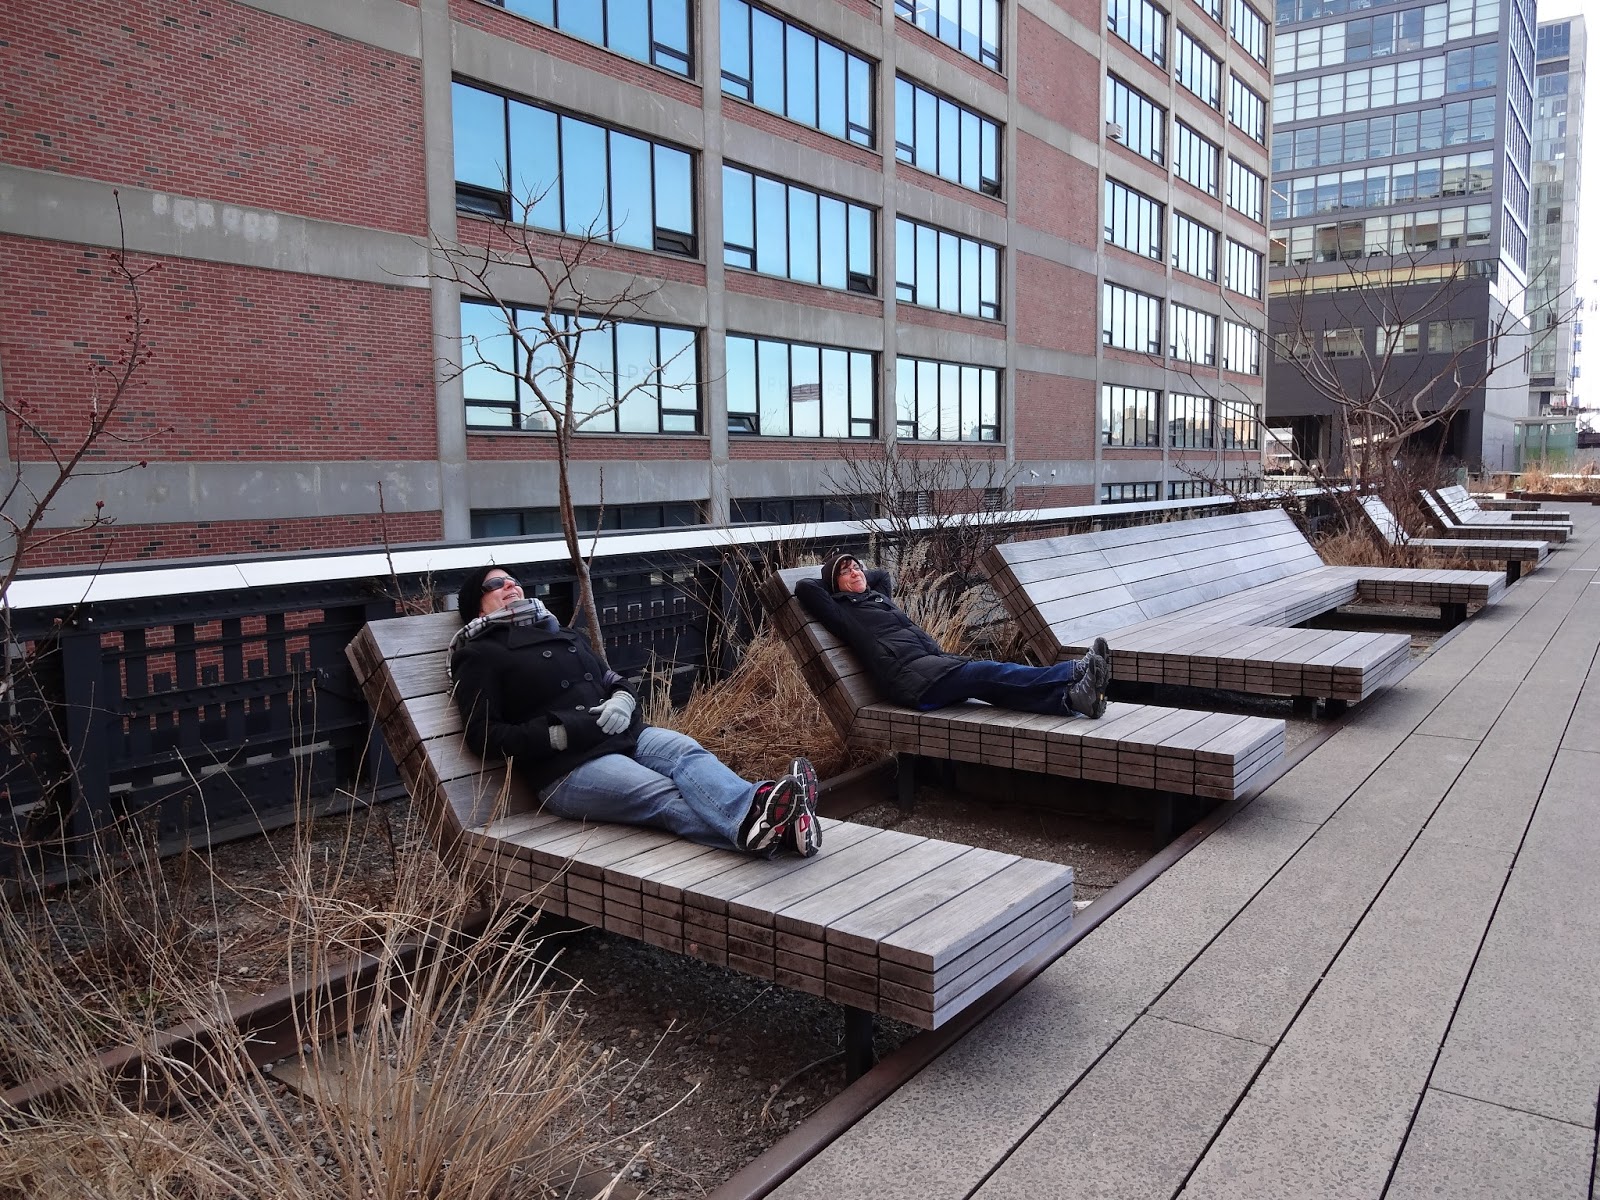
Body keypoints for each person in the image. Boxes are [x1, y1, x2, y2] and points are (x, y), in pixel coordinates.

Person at [449, 565, 820, 857]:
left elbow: (613, 679)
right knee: (663, 793)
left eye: (513, 581)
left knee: (687, 752)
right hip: (567, 767)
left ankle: (762, 812)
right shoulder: (479, 654)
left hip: (624, 735)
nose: (510, 585)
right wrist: (558, 734)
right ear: (475, 605)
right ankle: (778, 828)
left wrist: (623, 700)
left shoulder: (564, 634)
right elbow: (483, 735)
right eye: (495, 584)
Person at [795, 552, 1112, 718]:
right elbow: (805, 587)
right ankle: (1074, 671)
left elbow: (882, 575)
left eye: (857, 567)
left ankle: (1072, 699)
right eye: (846, 572)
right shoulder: (842, 612)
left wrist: (852, 572)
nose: (856, 572)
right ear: (834, 585)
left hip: (929, 667)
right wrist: (832, 575)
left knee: (991, 686)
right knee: (989, 672)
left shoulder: (877, 598)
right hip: (912, 681)